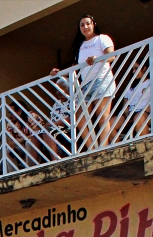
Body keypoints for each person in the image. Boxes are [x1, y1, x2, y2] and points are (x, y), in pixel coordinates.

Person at [52, 15, 115, 149]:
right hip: (85, 84)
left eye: (88, 23)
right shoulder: (81, 45)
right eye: (82, 25)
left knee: (102, 117)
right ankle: (93, 149)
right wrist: (59, 73)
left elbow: (111, 55)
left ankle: (103, 149)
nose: (85, 27)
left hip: (101, 79)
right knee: (80, 120)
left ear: (94, 24)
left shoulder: (102, 38)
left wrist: (96, 58)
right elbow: (76, 66)